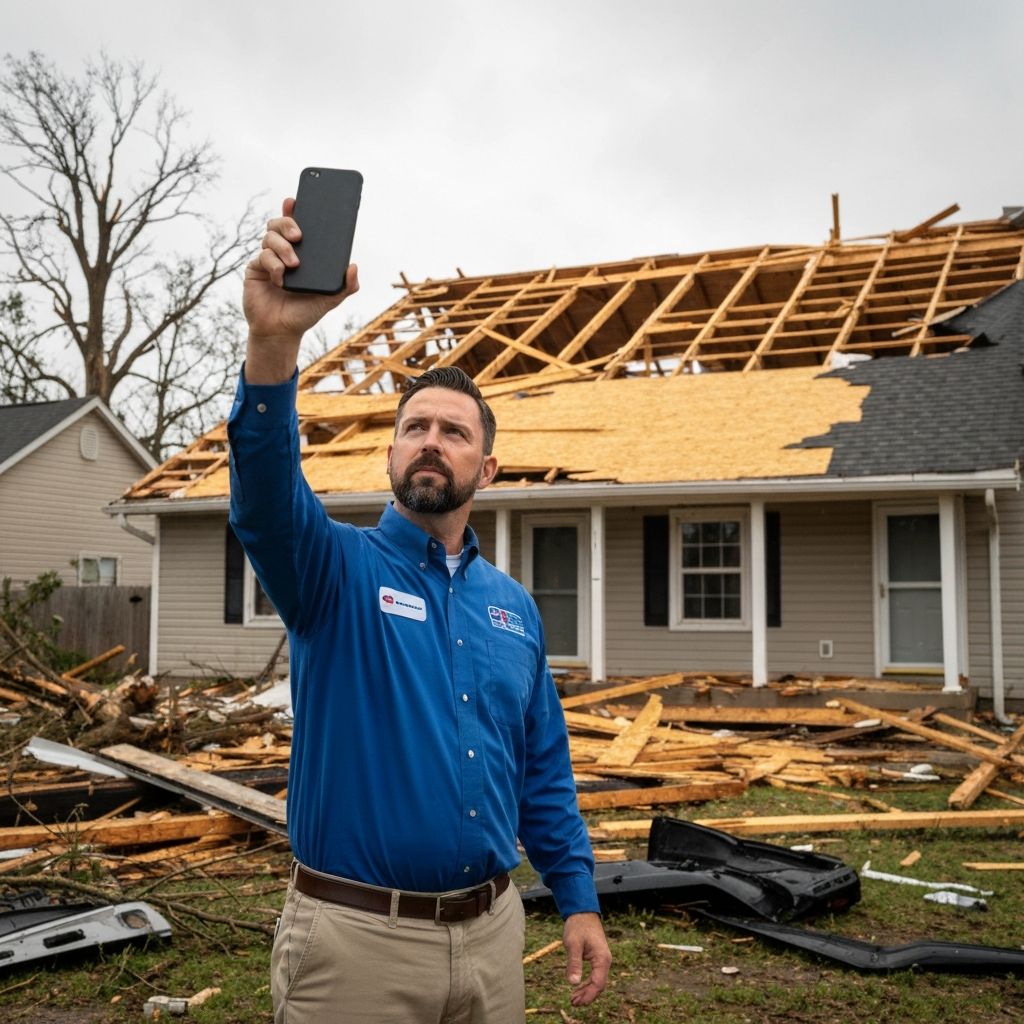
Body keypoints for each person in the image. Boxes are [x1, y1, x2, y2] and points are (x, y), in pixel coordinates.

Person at [229, 198, 611, 1024]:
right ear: (392, 452)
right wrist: (274, 343)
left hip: (493, 935)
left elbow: (542, 768)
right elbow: (264, 501)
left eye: (454, 431)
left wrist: (576, 896)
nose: (431, 439)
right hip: (358, 947)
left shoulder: (511, 609)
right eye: (414, 427)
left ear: (490, 467)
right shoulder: (334, 571)